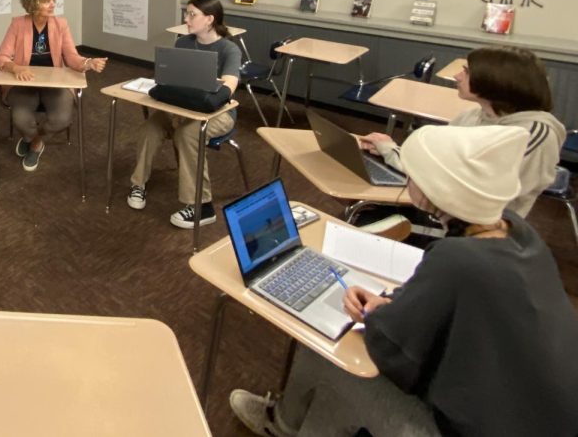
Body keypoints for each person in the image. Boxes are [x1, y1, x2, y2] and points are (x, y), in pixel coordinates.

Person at [229, 124, 578, 437]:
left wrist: (379, 317)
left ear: (436, 190)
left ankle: (283, 424)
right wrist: (391, 306)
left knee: (330, 353)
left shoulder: (457, 260)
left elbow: (396, 355)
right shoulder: (520, 234)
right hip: (539, 413)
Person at [358, 46, 564, 217]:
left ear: (493, 81)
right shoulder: (473, 115)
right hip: (442, 201)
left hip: (476, 225)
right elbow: (441, 166)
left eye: (466, 72)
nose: (457, 76)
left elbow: (479, 194)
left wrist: (401, 161)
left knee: (371, 211)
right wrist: (390, 150)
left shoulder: (534, 134)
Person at [127, 0, 241, 228]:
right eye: (186, 14)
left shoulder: (229, 49)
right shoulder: (183, 43)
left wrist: (217, 96)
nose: (185, 19)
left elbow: (229, 84)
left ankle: (202, 206)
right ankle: (138, 184)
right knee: (150, 128)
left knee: (188, 134)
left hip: (218, 114)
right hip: (181, 106)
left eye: (192, 14)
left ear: (209, 20)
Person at [0, 0, 107, 172]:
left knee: (62, 119)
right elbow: (2, 58)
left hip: (54, 83)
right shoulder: (18, 24)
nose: (53, 4)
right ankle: (32, 140)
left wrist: (89, 63)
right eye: (47, 1)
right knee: (21, 119)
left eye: (53, 0)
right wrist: (17, 68)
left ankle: (36, 143)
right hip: (25, 82)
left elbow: (71, 57)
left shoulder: (60, 24)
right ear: (32, 3)